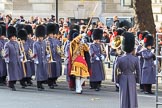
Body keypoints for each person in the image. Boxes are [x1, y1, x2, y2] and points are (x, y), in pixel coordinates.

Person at [114, 32, 140, 108]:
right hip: (132, 77)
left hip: (122, 77)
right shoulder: (135, 59)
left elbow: (115, 71)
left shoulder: (119, 58)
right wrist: (138, 80)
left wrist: (116, 81)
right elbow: (138, 71)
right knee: (132, 97)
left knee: (123, 97)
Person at [4, 26, 26, 91]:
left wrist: (21, 56)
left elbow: (19, 51)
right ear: (10, 37)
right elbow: (6, 53)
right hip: (11, 61)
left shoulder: (17, 43)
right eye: (12, 37)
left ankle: (12, 83)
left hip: (17, 60)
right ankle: (11, 84)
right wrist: (7, 60)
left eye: (14, 36)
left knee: (16, 73)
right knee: (11, 73)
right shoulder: (7, 44)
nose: (14, 38)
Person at [32, 25, 49, 91]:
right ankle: (39, 85)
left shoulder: (44, 43)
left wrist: (47, 56)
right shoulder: (35, 44)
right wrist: (36, 60)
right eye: (39, 37)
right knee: (39, 73)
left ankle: (41, 83)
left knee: (44, 72)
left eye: (42, 37)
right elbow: (35, 52)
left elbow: (45, 51)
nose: (41, 38)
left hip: (43, 60)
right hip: (38, 60)